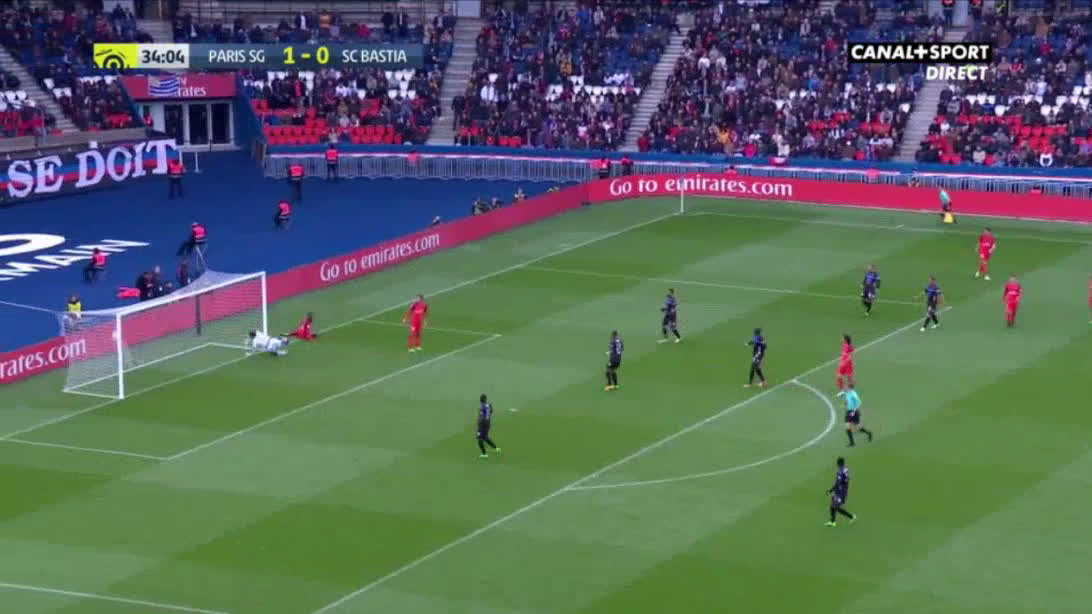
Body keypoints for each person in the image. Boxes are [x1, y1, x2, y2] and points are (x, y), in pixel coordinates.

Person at [825, 457, 856, 527]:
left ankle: (852, 517)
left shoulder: (840, 471)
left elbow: (838, 483)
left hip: (841, 491)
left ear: (838, 463)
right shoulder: (845, 469)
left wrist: (830, 490)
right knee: (832, 506)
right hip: (841, 490)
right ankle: (832, 522)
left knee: (837, 507)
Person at [476, 393, 501, 458]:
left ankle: (484, 454)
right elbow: (491, 411)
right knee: (485, 437)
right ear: (485, 399)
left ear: (480, 400)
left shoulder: (482, 407)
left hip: (483, 424)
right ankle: (496, 448)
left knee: (479, 439)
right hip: (488, 423)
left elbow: (481, 417)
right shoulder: (488, 405)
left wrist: (479, 423)